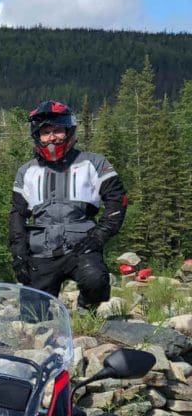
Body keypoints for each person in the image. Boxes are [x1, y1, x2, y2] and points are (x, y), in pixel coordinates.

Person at [10, 101, 127, 309]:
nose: (52, 137)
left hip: (82, 246)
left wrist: (100, 235)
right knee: (32, 316)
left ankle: (86, 309)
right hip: (41, 250)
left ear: (69, 131)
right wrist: (19, 251)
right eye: (45, 132)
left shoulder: (94, 163)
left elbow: (118, 200)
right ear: (37, 136)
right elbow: (17, 214)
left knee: (96, 281)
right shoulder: (26, 171)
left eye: (57, 130)